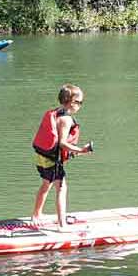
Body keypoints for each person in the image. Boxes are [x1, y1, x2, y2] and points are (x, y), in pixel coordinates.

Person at [31, 84, 93, 231]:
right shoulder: (66, 120)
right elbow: (63, 143)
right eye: (79, 102)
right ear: (71, 102)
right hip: (53, 160)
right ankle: (62, 225)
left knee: (46, 184)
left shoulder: (56, 112)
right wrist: (82, 150)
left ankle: (36, 214)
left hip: (42, 157)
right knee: (61, 189)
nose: (80, 106)